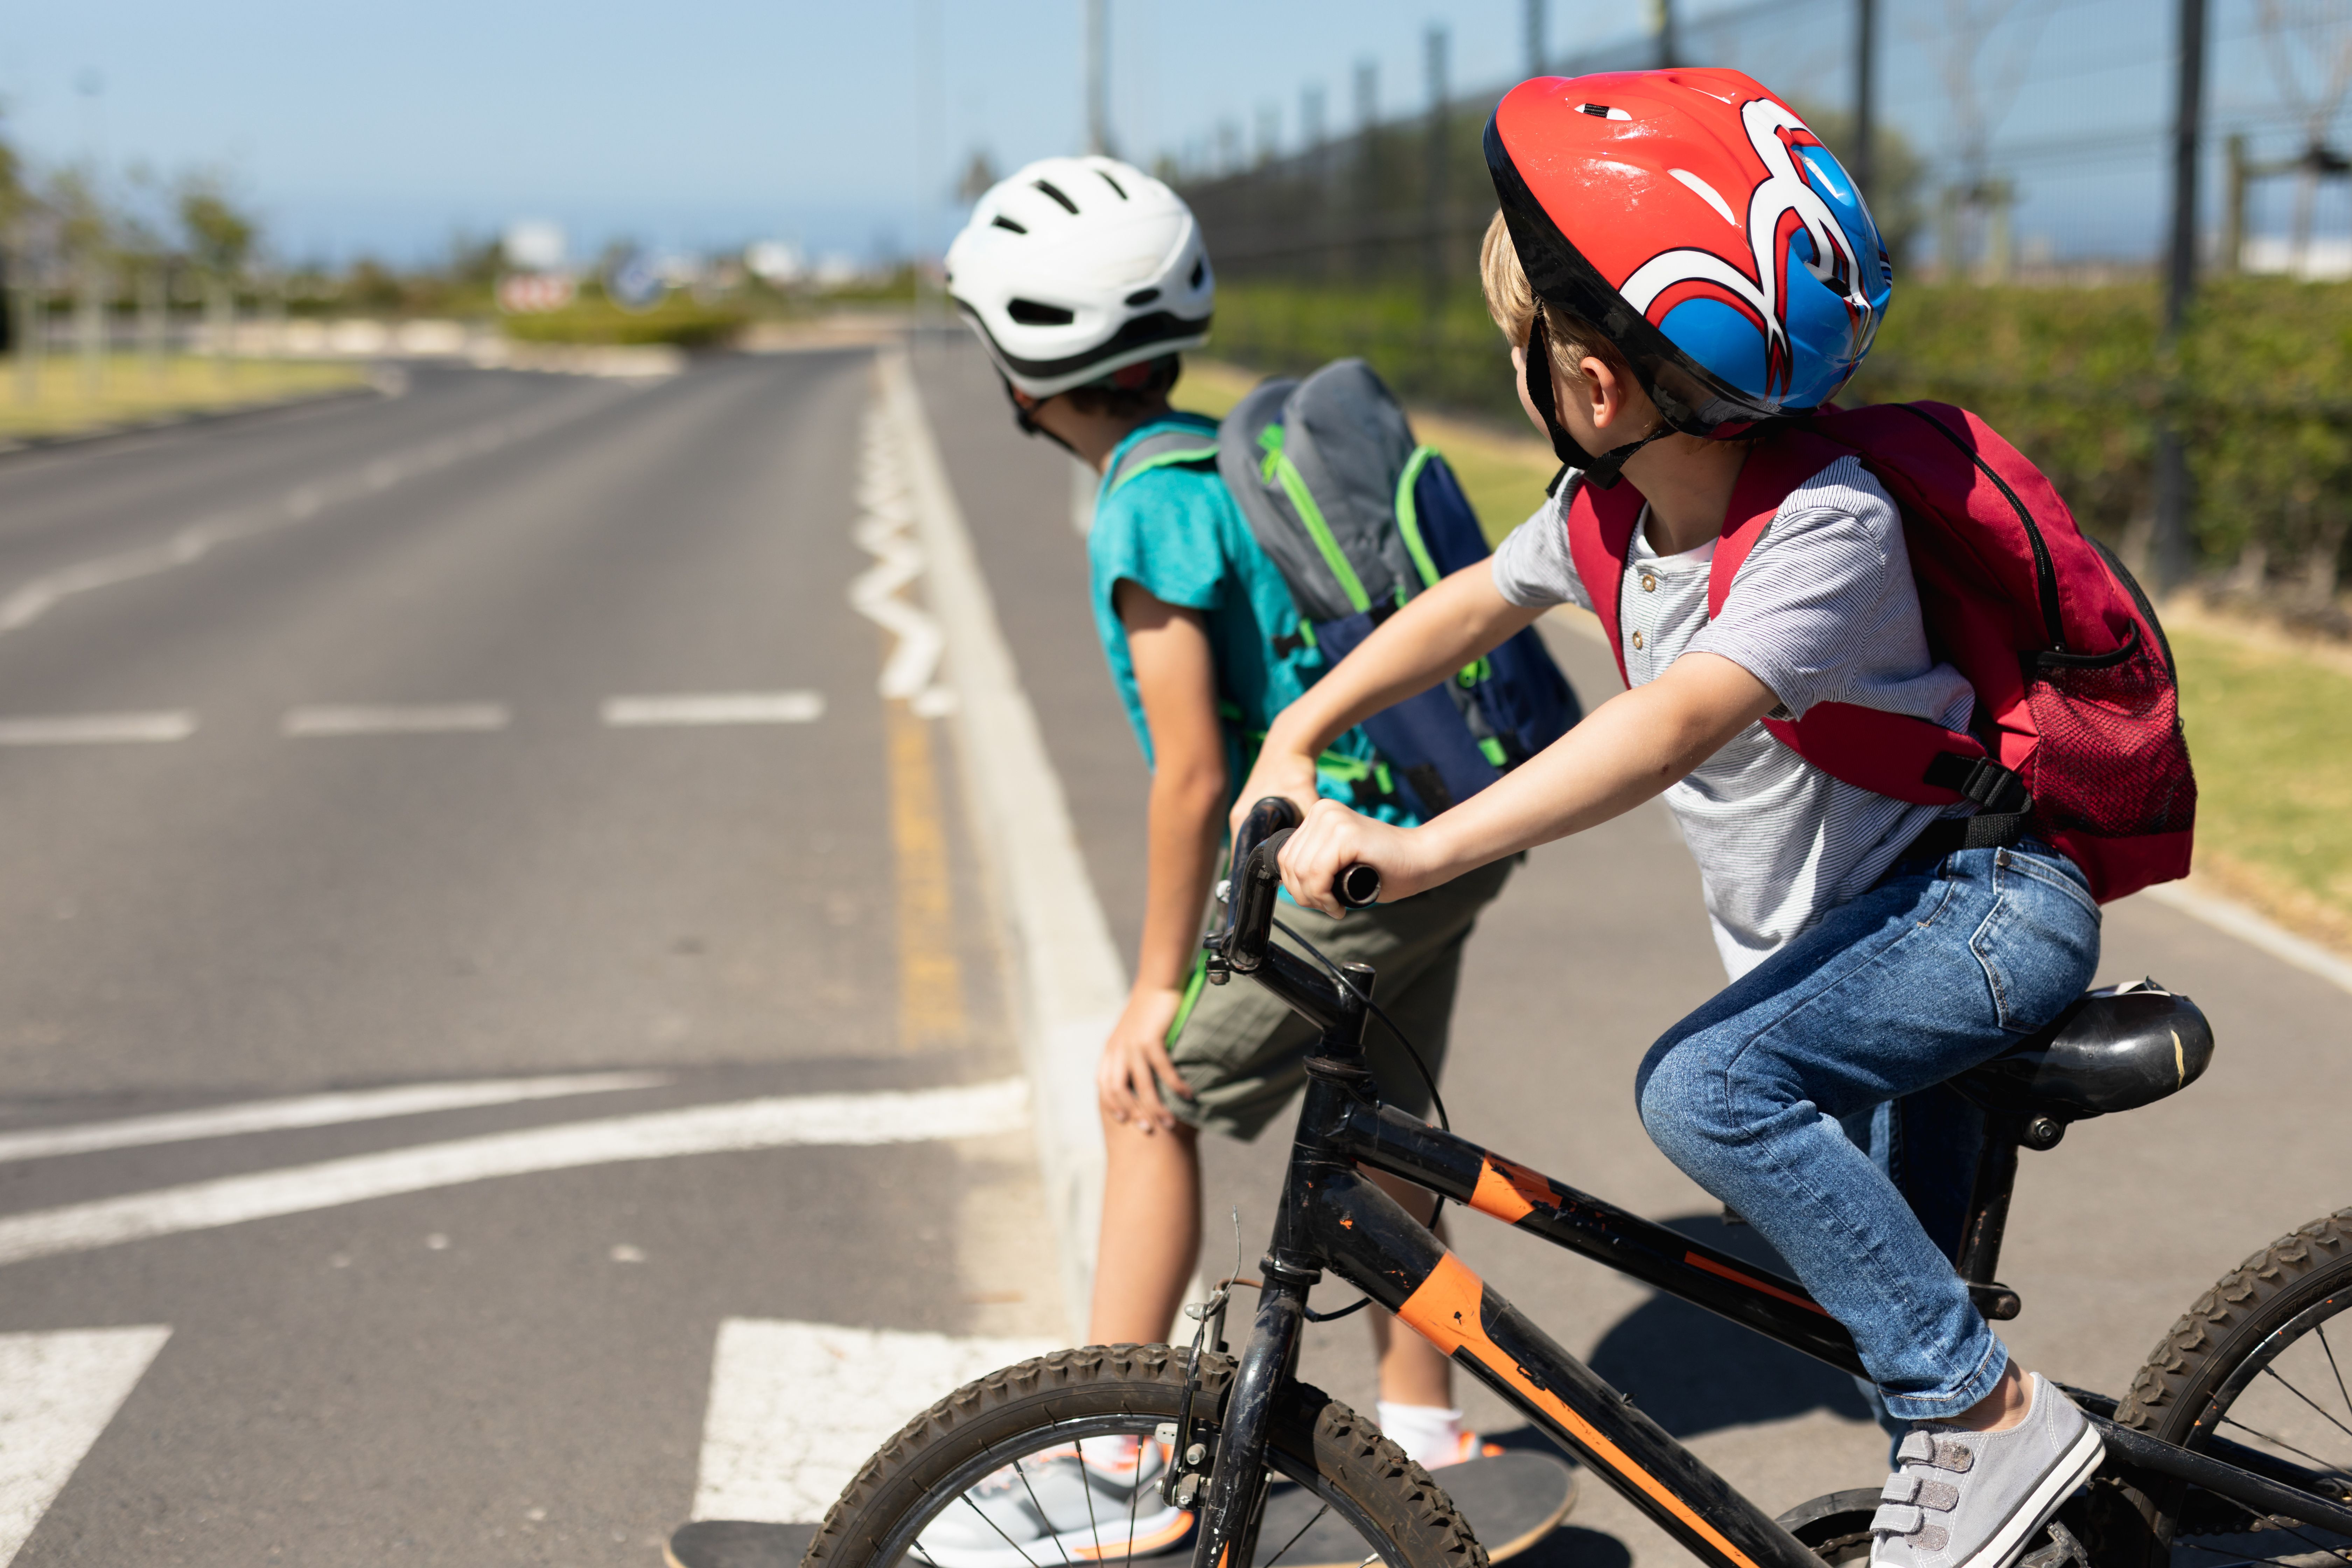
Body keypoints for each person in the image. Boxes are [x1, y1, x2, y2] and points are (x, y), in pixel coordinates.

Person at [1238, 72, 2105, 1568]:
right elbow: (1461, 607)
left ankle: (1994, 1414)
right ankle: (1974, 1457)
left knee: (1708, 1095)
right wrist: (1300, 727)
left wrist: (1434, 846)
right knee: (1892, 1348)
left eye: (1528, 338)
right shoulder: (1612, 517)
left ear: (1587, 385)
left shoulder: (1826, 525)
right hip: (1861, 942)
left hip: (1981, 912)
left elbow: (1669, 723)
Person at [928, 153, 1519, 1559]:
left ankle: (1115, 1458)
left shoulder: (1145, 506)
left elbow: (1192, 769)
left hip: (1327, 861)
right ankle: (1420, 1418)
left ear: (1029, 367)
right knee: (1386, 1115)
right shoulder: (1228, 459)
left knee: (1151, 1099)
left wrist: (1153, 989)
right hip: (1425, 840)